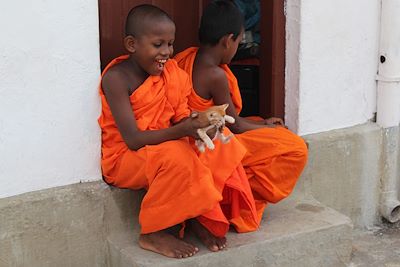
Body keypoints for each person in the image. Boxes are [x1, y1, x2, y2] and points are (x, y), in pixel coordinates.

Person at [98, 4, 260, 259]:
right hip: (125, 159)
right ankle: (153, 232)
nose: (166, 53)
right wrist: (183, 130)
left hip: (164, 143)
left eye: (170, 44)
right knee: (177, 156)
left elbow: (181, 115)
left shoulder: (172, 73)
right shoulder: (117, 78)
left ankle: (199, 217)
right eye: (158, 44)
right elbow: (133, 140)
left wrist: (200, 126)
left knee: (220, 144)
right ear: (131, 44)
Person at [175, 0, 308, 214]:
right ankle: (235, 193)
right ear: (228, 41)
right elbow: (235, 126)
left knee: (256, 120)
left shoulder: (188, 58)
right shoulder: (215, 75)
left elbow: (230, 119)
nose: (237, 48)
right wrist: (272, 129)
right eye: (238, 41)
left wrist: (262, 123)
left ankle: (234, 183)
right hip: (212, 143)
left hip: (199, 135)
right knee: (296, 147)